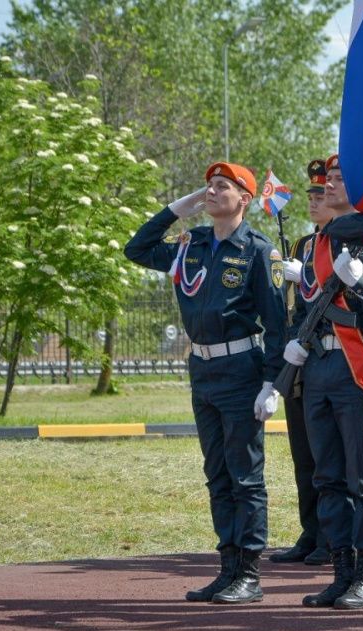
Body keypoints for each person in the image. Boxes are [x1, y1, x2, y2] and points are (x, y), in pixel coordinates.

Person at [124, 162, 285, 604]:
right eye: (208, 187)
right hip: (203, 370)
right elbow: (135, 249)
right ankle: (227, 568)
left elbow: (276, 323)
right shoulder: (190, 244)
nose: (211, 192)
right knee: (216, 474)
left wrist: (274, 383)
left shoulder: (257, 251)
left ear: (244, 199)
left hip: (241, 370)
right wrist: (178, 208)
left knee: (245, 476)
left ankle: (249, 572)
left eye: (221, 187)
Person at [284, 154, 363, 609]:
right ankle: (341, 571)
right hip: (319, 369)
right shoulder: (314, 247)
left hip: (358, 369)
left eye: (339, 178)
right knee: (327, 476)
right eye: (327, 178)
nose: (328, 185)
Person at [269, 159, 331, 566]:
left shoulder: (341, 243)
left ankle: (331, 534)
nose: (313, 201)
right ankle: (311, 530)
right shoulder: (300, 246)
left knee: (328, 455)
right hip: (298, 358)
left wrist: (306, 275)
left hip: (327, 354)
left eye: (320, 195)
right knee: (303, 453)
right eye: (310, 195)